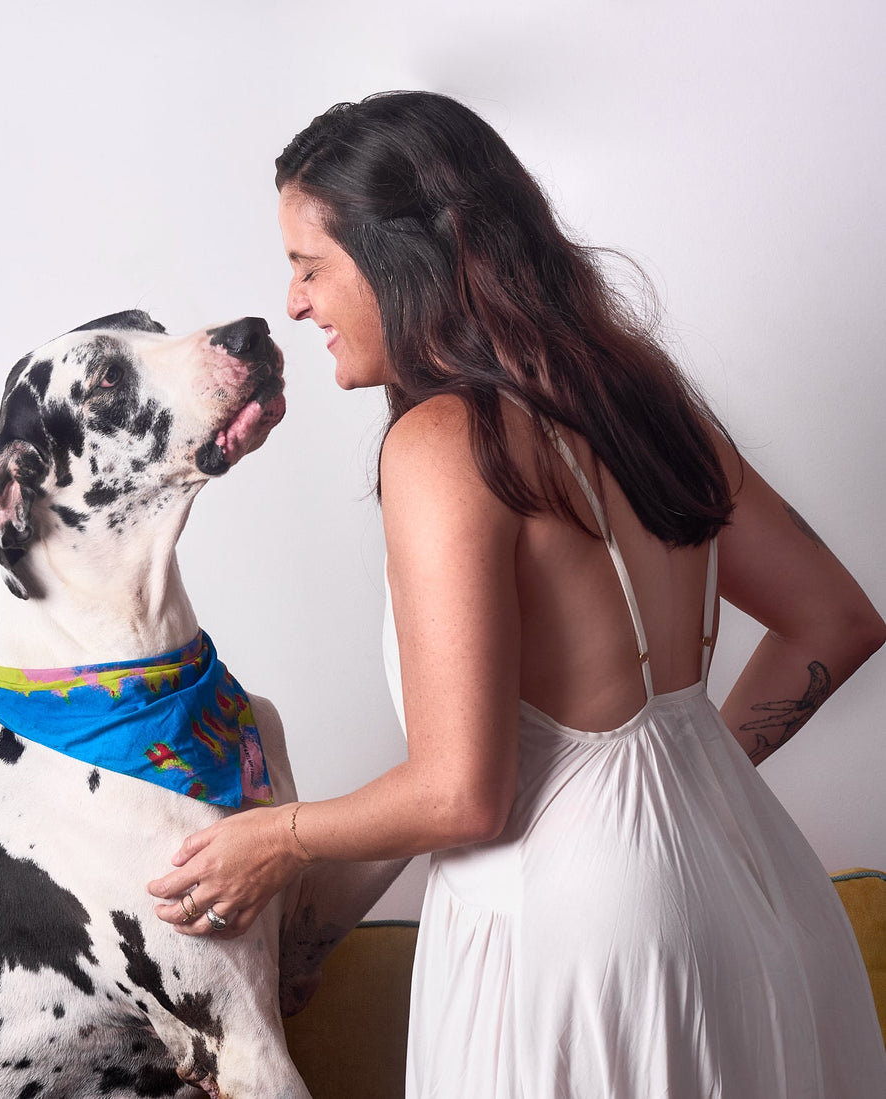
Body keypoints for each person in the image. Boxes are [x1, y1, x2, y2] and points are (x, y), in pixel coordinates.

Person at [147, 91, 886, 1095]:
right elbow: (836, 617)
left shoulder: (442, 442)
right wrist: (674, 782)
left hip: (581, 939)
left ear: (398, 258)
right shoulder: (643, 404)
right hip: (749, 888)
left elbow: (462, 792)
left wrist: (273, 840)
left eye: (309, 266)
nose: (295, 304)